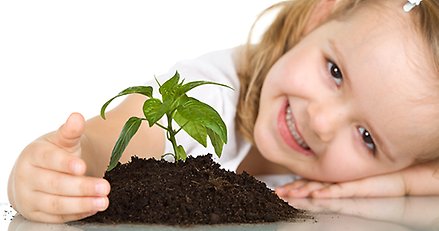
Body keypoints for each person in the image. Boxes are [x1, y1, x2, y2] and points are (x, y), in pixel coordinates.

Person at [7, 0, 439, 223]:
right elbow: (128, 130)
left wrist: (406, 181)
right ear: (317, 18)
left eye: (367, 138)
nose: (322, 123)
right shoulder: (215, 95)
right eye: (335, 72)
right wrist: (71, 161)